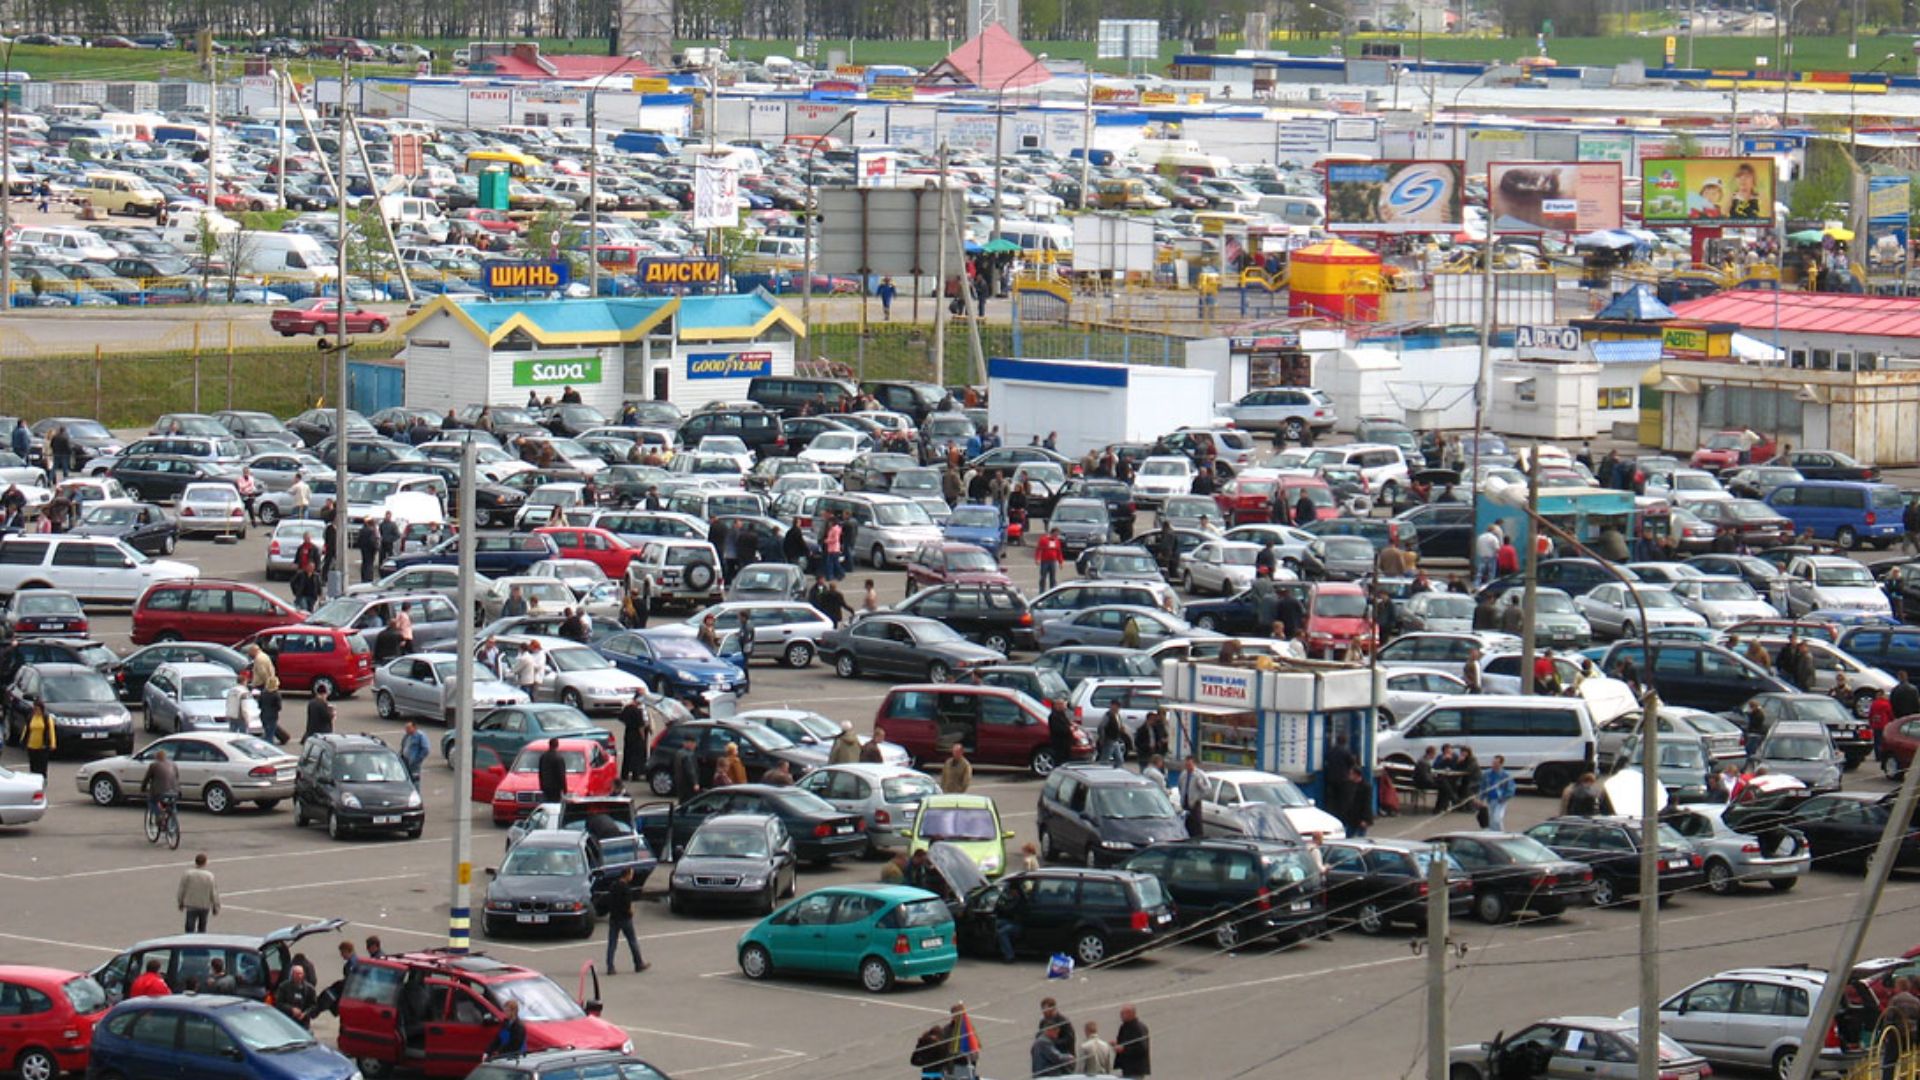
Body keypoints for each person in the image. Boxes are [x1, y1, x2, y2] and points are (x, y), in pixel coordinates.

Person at [604, 866, 648, 974]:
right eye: (631, 874)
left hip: (614, 918)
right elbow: (628, 905)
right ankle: (638, 963)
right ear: (627, 875)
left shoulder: (613, 886)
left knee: (612, 943)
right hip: (625, 919)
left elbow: (609, 900)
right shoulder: (626, 888)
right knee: (632, 941)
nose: (632, 876)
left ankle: (610, 966)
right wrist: (631, 912)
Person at [178, 852, 220, 933]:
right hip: (204, 905)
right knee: (202, 927)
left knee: (189, 927)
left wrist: (180, 902)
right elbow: (213, 892)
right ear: (205, 862)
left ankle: (189, 942)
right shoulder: (209, 876)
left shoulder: (188, 874)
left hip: (191, 905)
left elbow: (182, 889)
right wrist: (216, 906)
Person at [142, 748, 180, 831]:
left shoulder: (154, 765)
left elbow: (147, 779)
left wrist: (143, 788)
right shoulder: (173, 764)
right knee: (172, 805)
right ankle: (173, 823)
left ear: (156, 757)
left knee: (152, 802)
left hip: (160, 793)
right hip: (174, 791)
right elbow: (176, 777)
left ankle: (159, 816)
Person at [618, 692, 651, 782]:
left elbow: (621, 718)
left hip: (628, 734)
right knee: (637, 756)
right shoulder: (637, 711)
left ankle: (624, 774)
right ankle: (635, 775)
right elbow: (640, 727)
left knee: (627, 754)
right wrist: (643, 737)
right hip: (636, 736)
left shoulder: (627, 708)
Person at [1115, 1004, 1151, 1078]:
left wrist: (1124, 1049)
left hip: (1136, 1069)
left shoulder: (1139, 1028)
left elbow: (1142, 1048)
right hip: (1126, 1067)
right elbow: (1123, 1042)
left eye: (1123, 1013)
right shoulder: (1124, 1027)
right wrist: (1116, 1044)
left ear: (1131, 1014)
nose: (1121, 1016)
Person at [1482, 754, 1516, 830]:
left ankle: (1500, 833)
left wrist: (1504, 798)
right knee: (1491, 819)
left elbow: (1511, 789)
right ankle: (1493, 833)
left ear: (1501, 764)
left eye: (1496, 763)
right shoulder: (1487, 774)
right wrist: (1481, 798)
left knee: (1497, 818)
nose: (1493, 765)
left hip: (1500, 800)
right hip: (1491, 800)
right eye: (1493, 763)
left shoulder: (1506, 775)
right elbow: (1483, 786)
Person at [23, 696, 54, 777]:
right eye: (35, 709)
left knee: (42, 766)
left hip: (42, 746)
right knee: (33, 766)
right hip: (31, 745)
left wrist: (52, 744)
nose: (36, 711)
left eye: (38, 709)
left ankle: (43, 780)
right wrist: (23, 741)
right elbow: (26, 729)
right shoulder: (31, 717)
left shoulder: (46, 718)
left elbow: (51, 731)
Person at [1178, 757, 1208, 837]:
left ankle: (1197, 838)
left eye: (1190, 765)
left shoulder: (1199, 774)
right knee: (1186, 823)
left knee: (1196, 824)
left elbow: (1207, 788)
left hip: (1195, 802)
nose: (1188, 767)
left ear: (1193, 764)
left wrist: (1198, 797)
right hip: (1185, 801)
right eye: (1186, 765)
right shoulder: (1183, 774)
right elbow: (1180, 786)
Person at [672, 736, 702, 805]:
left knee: (682, 801)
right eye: (694, 743)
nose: (695, 746)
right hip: (688, 784)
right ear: (689, 744)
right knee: (690, 802)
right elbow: (690, 770)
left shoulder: (679, 753)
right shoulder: (689, 755)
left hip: (680, 783)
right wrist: (695, 783)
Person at [537, 738, 568, 804]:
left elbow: (540, 773)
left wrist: (541, 785)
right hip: (555, 789)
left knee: (547, 805)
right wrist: (565, 789)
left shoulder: (543, 757)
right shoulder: (558, 758)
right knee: (555, 805)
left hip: (545, 787)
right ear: (557, 745)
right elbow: (561, 775)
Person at [1047, 701, 1074, 772]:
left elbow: (1067, 723)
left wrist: (1072, 725)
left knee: (1066, 761)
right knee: (1059, 762)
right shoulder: (1053, 716)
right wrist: (1069, 729)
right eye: (1062, 704)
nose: (1064, 706)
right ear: (1057, 706)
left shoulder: (1062, 714)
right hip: (1059, 744)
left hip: (1066, 744)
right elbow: (1058, 729)